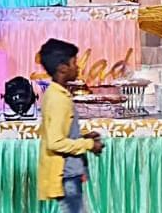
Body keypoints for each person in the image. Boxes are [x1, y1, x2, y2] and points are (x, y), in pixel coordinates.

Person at [37, 39, 103, 213]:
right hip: (66, 173)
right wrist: (89, 144)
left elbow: (62, 133)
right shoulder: (58, 99)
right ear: (62, 68)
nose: (78, 67)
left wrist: (81, 137)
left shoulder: (57, 94)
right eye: (74, 63)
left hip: (70, 172)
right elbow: (55, 142)